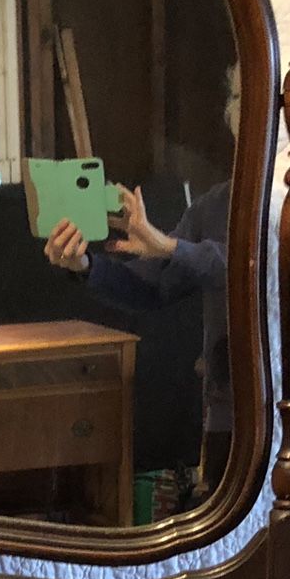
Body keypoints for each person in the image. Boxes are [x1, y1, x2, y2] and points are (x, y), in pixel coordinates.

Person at [44, 69, 237, 492]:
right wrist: (85, 265)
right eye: (239, 98)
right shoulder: (214, 205)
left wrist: (170, 247)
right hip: (228, 411)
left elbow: (250, 268)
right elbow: (151, 288)